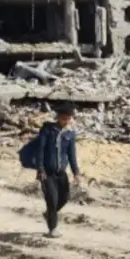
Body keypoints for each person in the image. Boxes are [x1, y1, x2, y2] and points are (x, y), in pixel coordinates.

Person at [32, 102, 81, 238]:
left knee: (64, 197)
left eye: (69, 118)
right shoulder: (48, 130)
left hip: (61, 173)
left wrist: (76, 172)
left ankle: (49, 214)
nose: (66, 121)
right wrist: (40, 169)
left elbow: (71, 155)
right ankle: (52, 229)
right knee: (52, 200)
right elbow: (40, 150)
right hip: (47, 173)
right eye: (64, 118)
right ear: (58, 117)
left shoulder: (70, 134)